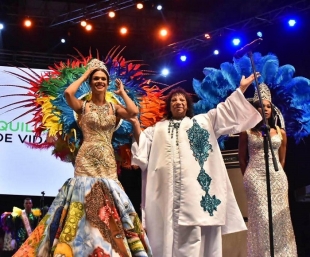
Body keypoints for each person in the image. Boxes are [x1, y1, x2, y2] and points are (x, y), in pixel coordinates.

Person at [13, 59, 152, 257]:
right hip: (86, 158)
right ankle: (79, 247)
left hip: (106, 158)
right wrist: (86, 74)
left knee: (110, 202)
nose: (100, 81)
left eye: (103, 78)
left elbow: (133, 112)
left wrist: (122, 93)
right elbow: (68, 93)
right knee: (82, 203)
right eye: (96, 78)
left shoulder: (114, 108)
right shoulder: (83, 107)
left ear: (107, 82)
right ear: (90, 82)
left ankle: (109, 247)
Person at [130, 73, 262, 257]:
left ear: (187, 104)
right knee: (164, 233)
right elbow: (142, 147)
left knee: (195, 235)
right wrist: (135, 123)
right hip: (165, 196)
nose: (178, 102)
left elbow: (225, 110)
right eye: (174, 100)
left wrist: (241, 89)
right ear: (169, 106)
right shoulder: (157, 129)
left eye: (182, 100)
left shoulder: (201, 122)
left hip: (194, 195)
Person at [238, 83, 297, 256]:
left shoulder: (280, 131)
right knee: (262, 219)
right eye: (261, 106)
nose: (265, 109)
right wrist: (248, 176)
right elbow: (241, 157)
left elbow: (283, 157)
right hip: (255, 176)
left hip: (277, 177)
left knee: (279, 218)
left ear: (271, 109)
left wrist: (278, 173)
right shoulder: (246, 131)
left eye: (268, 106)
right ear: (255, 109)